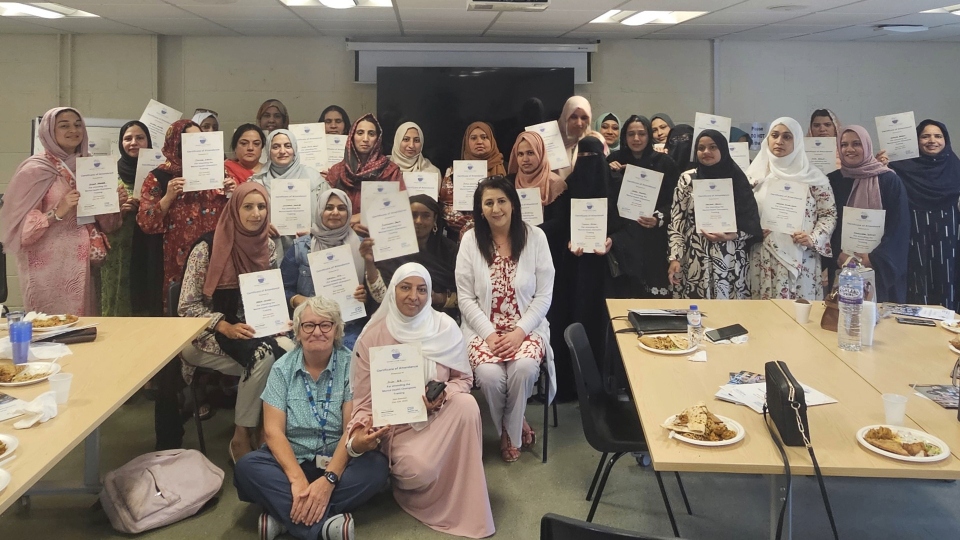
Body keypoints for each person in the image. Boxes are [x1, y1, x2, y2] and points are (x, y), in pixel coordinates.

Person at [349, 263, 495, 538]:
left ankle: (469, 494)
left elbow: (463, 380)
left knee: (466, 404)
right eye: (405, 287)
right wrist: (359, 433)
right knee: (420, 471)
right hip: (399, 428)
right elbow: (363, 401)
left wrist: (439, 397)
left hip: (440, 417)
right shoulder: (373, 336)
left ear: (429, 295)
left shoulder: (445, 327)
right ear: (393, 291)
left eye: (422, 290)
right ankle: (423, 488)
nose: (413, 296)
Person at [234, 296, 390, 540]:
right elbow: (273, 432)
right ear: (297, 331)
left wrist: (328, 481)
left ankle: (285, 518)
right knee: (246, 467)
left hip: (339, 464)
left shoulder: (352, 365)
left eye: (325, 325)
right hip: (290, 463)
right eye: (309, 325)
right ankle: (326, 525)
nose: (317, 331)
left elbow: (351, 429)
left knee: (377, 468)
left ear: (337, 330)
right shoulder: (281, 369)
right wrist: (297, 480)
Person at [178, 182, 293, 463]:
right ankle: (244, 434)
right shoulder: (207, 247)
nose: (256, 214)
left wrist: (277, 318)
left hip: (253, 330)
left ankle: (270, 429)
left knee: (291, 352)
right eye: (248, 207)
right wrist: (222, 325)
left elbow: (270, 293)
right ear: (234, 209)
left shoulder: (266, 246)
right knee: (265, 359)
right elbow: (187, 307)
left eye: (261, 207)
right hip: (204, 334)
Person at [456, 176, 555, 462]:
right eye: (489, 203)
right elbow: (465, 298)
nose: (496, 208)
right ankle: (515, 423)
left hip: (526, 328)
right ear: (480, 209)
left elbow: (544, 296)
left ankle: (507, 432)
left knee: (523, 368)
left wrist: (519, 333)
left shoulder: (536, 238)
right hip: (481, 329)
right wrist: (489, 335)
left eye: (502, 201)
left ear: (513, 204)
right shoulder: (470, 241)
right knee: (488, 375)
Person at [0, 107, 125, 315]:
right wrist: (58, 212)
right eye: (64, 125)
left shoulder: (91, 165)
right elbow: (22, 232)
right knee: (50, 330)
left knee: (85, 328)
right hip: (46, 268)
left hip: (84, 264)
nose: (73, 130)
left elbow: (109, 225)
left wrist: (114, 203)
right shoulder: (34, 170)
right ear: (49, 131)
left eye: (77, 125)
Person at [137, 119, 234, 309]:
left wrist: (232, 192)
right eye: (188, 142)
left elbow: (235, 214)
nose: (195, 146)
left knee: (215, 307)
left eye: (199, 140)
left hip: (212, 252)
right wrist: (168, 197)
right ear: (175, 144)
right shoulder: (159, 176)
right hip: (174, 257)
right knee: (181, 307)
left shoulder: (218, 172)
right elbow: (145, 223)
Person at [547, 136, 612, 401]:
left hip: (604, 272)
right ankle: (571, 385)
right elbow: (559, 226)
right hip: (572, 273)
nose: (588, 165)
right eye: (582, 159)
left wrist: (611, 242)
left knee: (601, 324)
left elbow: (623, 226)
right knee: (573, 319)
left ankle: (601, 386)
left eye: (593, 159)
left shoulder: (614, 187)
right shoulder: (567, 188)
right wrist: (567, 243)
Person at [747, 117, 837, 300]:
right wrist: (753, 231)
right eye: (775, 135)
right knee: (762, 318)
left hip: (802, 256)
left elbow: (829, 214)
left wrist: (813, 238)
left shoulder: (813, 178)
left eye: (787, 137)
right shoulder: (753, 177)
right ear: (768, 139)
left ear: (797, 141)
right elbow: (743, 214)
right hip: (763, 256)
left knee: (800, 318)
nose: (779, 141)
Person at [668, 130, 762, 299]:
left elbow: (752, 223)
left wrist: (733, 236)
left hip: (731, 259)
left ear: (723, 150)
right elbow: (677, 222)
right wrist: (675, 258)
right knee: (696, 315)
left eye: (713, 147)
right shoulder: (687, 179)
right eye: (701, 148)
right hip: (694, 259)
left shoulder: (739, 180)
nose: (706, 152)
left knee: (730, 317)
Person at [281, 189, 377, 351]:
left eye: (341, 208)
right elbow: (283, 289)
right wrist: (299, 300)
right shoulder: (300, 247)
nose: (335, 213)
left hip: (349, 326)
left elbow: (378, 293)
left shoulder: (363, 246)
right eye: (329, 207)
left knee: (351, 357)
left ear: (349, 213)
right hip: (310, 326)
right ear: (319, 211)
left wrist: (364, 297)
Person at [826, 125, 909, 303]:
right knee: (838, 319)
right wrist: (837, 254)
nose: (849, 149)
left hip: (879, 267)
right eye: (844, 144)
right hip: (842, 264)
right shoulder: (832, 181)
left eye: (856, 144)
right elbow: (827, 221)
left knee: (879, 324)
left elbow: (899, 226)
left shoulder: (889, 180)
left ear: (867, 145)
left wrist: (875, 258)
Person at [607, 115, 681, 299]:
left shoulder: (664, 163)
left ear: (649, 135)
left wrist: (658, 218)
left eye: (641, 133)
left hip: (653, 240)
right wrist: (607, 170)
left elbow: (676, 202)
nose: (636, 139)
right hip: (623, 240)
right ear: (624, 137)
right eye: (631, 134)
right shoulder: (614, 159)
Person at [889, 120, 960, 310]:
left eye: (938, 136)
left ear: (946, 139)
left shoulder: (955, 166)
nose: (932, 140)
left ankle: (948, 321)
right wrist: (882, 165)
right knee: (917, 274)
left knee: (946, 274)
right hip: (915, 228)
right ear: (916, 140)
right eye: (925, 136)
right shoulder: (901, 167)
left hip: (947, 230)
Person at [367, 194, 460, 317]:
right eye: (413, 215)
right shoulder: (390, 249)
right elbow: (381, 297)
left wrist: (438, 298)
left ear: (435, 219)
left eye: (426, 216)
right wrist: (368, 262)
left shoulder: (450, 250)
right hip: (396, 317)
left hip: (439, 320)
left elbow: (465, 297)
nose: (419, 221)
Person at [251, 129, 330, 260]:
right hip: (270, 250)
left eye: (288, 146)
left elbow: (331, 213)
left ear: (295, 149)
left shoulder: (314, 178)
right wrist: (261, 226)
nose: (282, 151)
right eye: (275, 147)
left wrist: (315, 231)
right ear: (268, 151)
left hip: (310, 248)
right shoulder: (258, 181)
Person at [101, 120, 152, 316]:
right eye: (127, 138)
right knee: (117, 295)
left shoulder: (159, 171)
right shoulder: (110, 172)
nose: (133, 143)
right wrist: (118, 208)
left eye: (140, 138)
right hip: (118, 245)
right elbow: (97, 212)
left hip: (148, 243)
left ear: (148, 141)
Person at [325, 114, 404, 234]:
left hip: (380, 238)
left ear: (378, 138)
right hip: (342, 239)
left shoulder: (391, 171)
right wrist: (349, 226)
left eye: (371, 134)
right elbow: (325, 211)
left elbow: (399, 209)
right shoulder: (337, 171)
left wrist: (361, 217)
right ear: (352, 136)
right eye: (360, 133)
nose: (365, 139)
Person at [439, 121, 506, 237]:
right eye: (473, 138)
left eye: (484, 137)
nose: (479, 142)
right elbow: (446, 207)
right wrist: (474, 226)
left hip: (502, 233)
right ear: (466, 142)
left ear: (492, 140)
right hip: (464, 236)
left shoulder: (506, 168)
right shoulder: (454, 172)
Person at [556, 96, 605, 180]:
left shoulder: (596, 140)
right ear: (565, 117)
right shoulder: (549, 141)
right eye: (574, 117)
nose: (579, 123)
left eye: (584, 118)